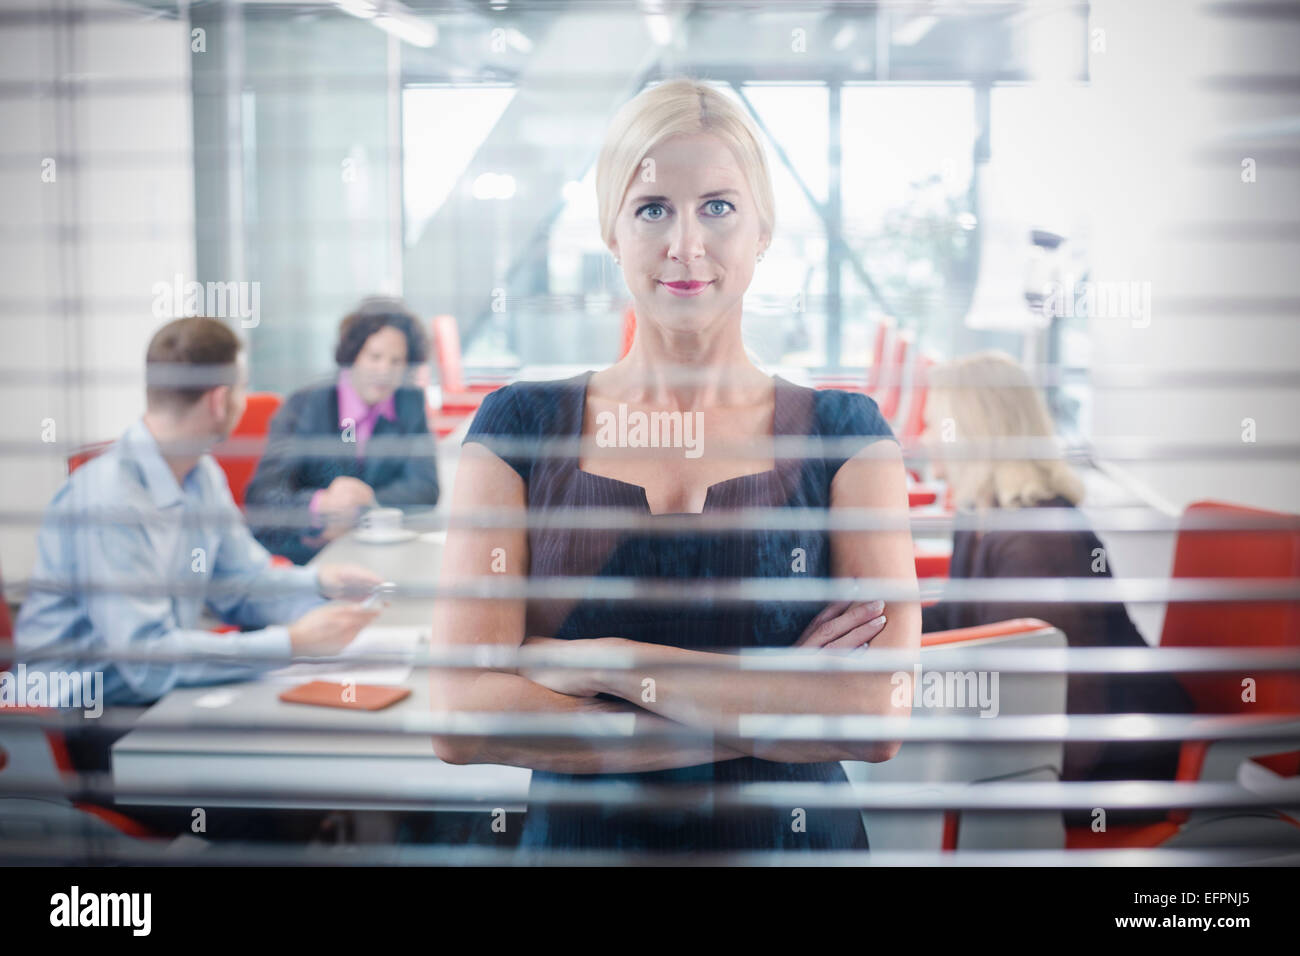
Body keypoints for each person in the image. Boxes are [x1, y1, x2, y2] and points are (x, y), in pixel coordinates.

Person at [429, 77, 921, 852]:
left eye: (718, 207)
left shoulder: (844, 437)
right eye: (653, 208)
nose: (685, 245)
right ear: (612, 231)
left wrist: (612, 662)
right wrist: (775, 704)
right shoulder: (517, 429)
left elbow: (873, 715)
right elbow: (461, 716)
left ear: (762, 230)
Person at [16, 316, 383, 724]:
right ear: (218, 400)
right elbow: (149, 662)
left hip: (148, 690)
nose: (245, 401)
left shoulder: (200, 474)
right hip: (74, 714)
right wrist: (293, 643)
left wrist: (321, 585)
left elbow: (240, 584)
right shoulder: (106, 501)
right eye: (243, 388)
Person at [917, 350, 1193, 825]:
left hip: (1114, 758)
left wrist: (1030, 800)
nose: (922, 441)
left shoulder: (1037, 542)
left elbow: (1070, 699)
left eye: (935, 427)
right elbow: (953, 616)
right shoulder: (981, 509)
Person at [245, 297, 440, 565]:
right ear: (353, 356)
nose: (384, 371)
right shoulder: (304, 406)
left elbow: (425, 488)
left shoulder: (409, 403)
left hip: (379, 552)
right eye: (375, 357)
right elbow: (264, 496)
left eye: (397, 362)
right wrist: (321, 504)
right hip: (311, 554)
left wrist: (363, 504)